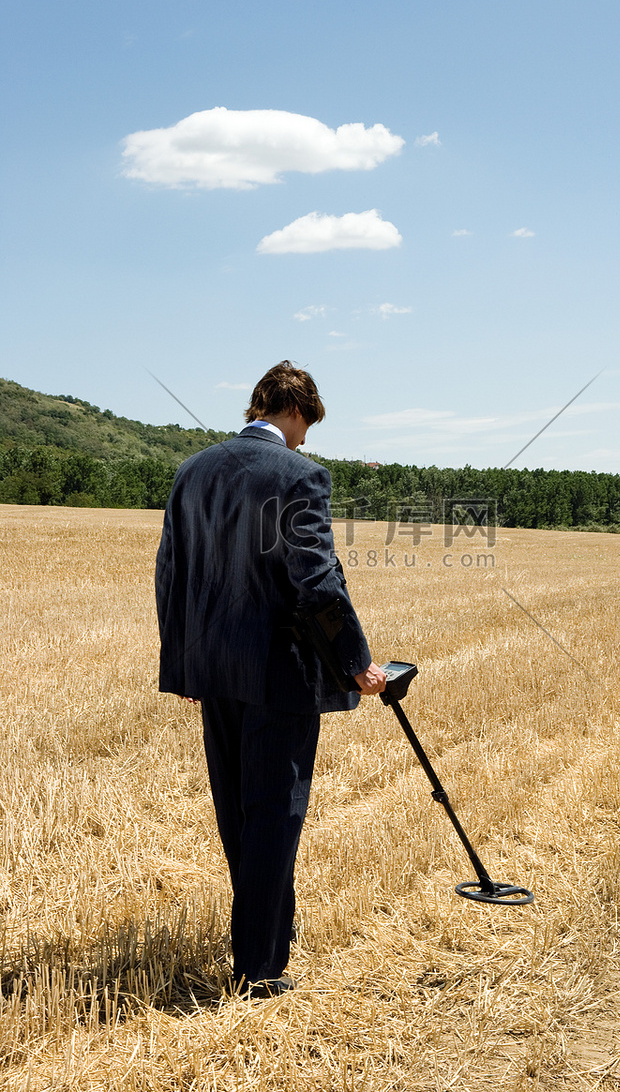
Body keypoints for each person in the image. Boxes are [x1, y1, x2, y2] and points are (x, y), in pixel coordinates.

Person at [155, 360, 385, 997]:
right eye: (304, 428)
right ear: (293, 411)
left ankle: (261, 934)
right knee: (275, 815)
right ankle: (259, 968)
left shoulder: (191, 471)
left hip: (214, 671)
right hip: (279, 675)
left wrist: (184, 659)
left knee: (237, 813)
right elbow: (317, 583)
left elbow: (170, 573)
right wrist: (355, 663)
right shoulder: (299, 475)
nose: (304, 442)